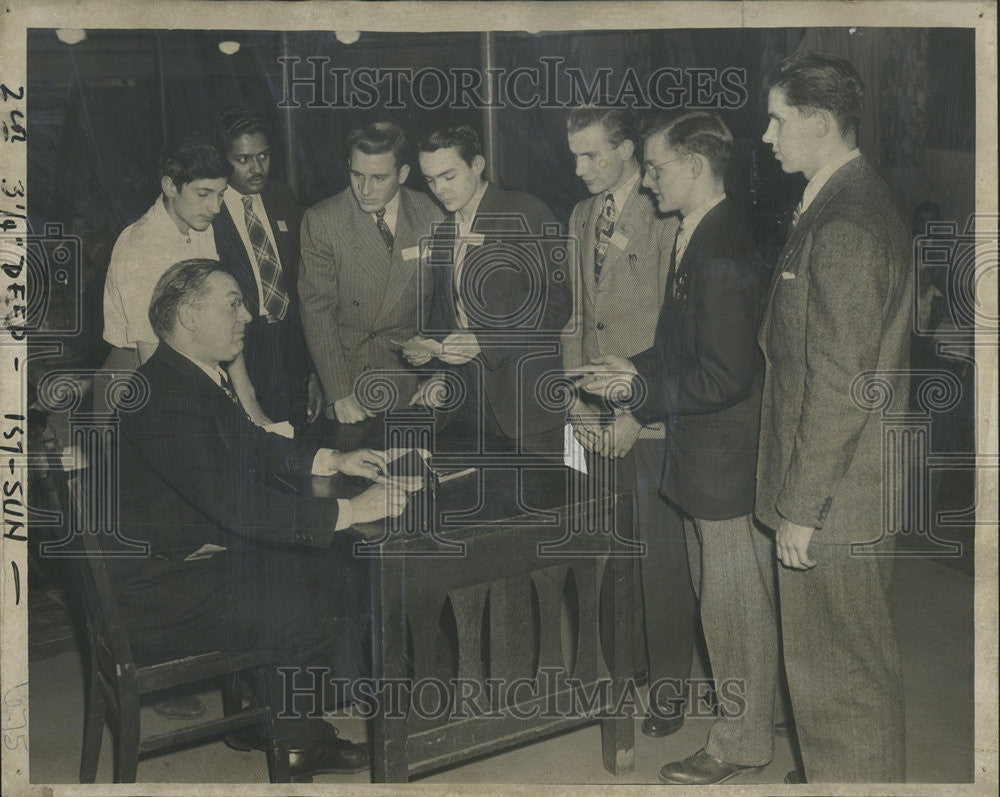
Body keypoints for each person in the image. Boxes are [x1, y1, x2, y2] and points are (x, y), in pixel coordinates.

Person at [108, 258, 408, 778]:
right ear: (187, 315)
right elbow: (237, 507)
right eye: (232, 304)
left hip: (176, 562)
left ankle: (267, 718)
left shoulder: (184, 376)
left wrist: (329, 460)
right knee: (309, 603)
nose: (247, 315)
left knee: (322, 569)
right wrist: (351, 508)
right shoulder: (165, 399)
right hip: (157, 590)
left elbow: (253, 444)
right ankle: (292, 744)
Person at [573, 111, 773, 785]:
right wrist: (629, 370)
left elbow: (725, 372)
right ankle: (743, 723)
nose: (648, 178)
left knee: (732, 604)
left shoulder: (719, 247)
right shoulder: (700, 231)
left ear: (692, 166)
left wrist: (642, 397)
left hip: (721, 461)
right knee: (719, 599)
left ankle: (738, 743)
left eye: (655, 167)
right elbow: (679, 350)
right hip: (701, 454)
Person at [758, 51, 909, 782]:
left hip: (837, 499)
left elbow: (841, 384)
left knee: (842, 684)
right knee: (834, 677)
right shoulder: (846, 198)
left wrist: (802, 507)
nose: (767, 135)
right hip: (847, 490)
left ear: (818, 124)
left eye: (778, 120)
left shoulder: (845, 221)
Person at [563, 105, 696, 737]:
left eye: (591, 155)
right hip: (593, 409)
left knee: (660, 557)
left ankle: (670, 686)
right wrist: (577, 400)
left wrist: (632, 415)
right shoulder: (580, 215)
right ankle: (625, 669)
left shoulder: (663, 215)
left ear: (626, 153)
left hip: (646, 414)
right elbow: (577, 319)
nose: (579, 167)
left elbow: (671, 334)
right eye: (574, 154)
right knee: (611, 551)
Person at [404, 125, 572, 455]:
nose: (439, 189)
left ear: (477, 165)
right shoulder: (443, 233)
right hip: (468, 406)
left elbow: (555, 305)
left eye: (448, 176)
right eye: (430, 180)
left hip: (525, 407)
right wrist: (436, 358)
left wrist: (485, 341)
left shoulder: (525, 212)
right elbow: (448, 315)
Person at [102, 141, 269, 422]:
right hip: (135, 380)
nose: (215, 207)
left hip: (187, 364)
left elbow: (224, 320)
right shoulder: (140, 245)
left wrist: (250, 402)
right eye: (204, 194)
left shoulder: (199, 225)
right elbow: (149, 352)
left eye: (220, 195)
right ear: (169, 187)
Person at [298, 121, 442, 443]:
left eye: (379, 178)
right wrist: (338, 394)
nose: (365, 189)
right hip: (353, 386)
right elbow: (316, 312)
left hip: (414, 383)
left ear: (403, 174)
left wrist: (438, 373)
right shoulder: (323, 221)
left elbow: (443, 301)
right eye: (356, 174)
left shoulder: (431, 213)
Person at [212, 107, 321, 428]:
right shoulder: (211, 211)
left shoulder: (282, 196)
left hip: (290, 343)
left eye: (263, 156)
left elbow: (301, 284)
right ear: (224, 160)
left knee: (300, 438)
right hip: (244, 347)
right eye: (243, 159)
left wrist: (313, 370)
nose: (256, 168)